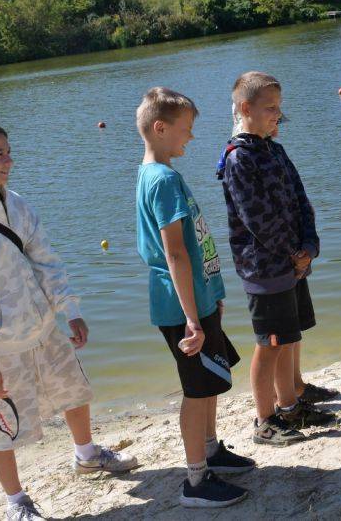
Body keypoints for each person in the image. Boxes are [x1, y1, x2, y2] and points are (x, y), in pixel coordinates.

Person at [0, 118, 137, 521]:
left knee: (75, 392)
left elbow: (46, 261)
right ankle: (16, 503)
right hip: (0, 348)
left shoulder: (15, 203)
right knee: (1, 427)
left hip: (43, 329)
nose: (9, 160)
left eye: (9, 150)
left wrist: (69, 310)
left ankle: (87, 456)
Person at [135, 87, 253, 508]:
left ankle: (210, 448)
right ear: (160, 128)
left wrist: (212, 295)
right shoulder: (162, 180)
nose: (191, 138)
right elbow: (175, 252)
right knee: (196, 389)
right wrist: (191, 318)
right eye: (186, 130)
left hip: (198, 300)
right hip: (181, 306)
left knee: (211, 380)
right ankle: (196, 481)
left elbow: (192, 245)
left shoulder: (159, 173)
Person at [216, 71, 336, 445]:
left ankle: (290, 405)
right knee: (269, 343)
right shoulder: (238, 159)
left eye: (280, 109)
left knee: (288, 335)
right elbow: (257, 220)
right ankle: (264, 419)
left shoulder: (274, 149)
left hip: (292, 263)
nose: (277, 116)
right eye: (270, 108)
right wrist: (290, 253)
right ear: (245, 108)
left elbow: (301, 200)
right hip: (264, 268)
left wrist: (308, 247)